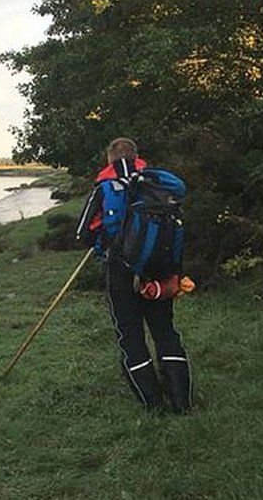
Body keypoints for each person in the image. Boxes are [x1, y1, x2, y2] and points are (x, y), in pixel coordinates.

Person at [75, 138, 193, 413]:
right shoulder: (157, 184)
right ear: (138, 157)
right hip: (160, 270)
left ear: (109, 160)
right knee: (164, 331)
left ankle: (153, 404)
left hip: (121, 271)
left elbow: (83, 234)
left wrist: (102, 240)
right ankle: (182, 403)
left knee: (130, 336)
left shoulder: (104, 188)